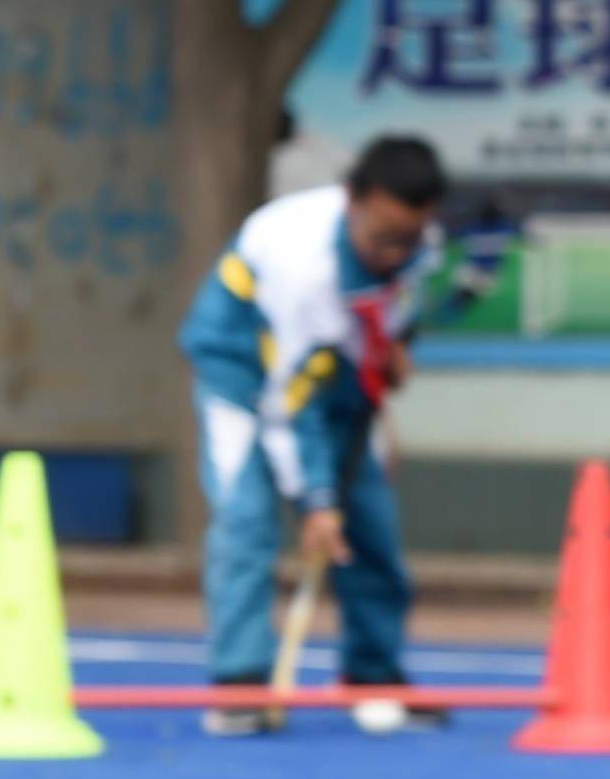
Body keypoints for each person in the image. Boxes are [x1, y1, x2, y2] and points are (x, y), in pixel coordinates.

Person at [177, 134, 450, 736]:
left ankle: (374, 676)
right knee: (246, 524)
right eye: (383, 238)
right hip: (248, 385)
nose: (394, 252)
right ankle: (241, 682)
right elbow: (291, 405)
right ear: (351, 200)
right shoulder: (300, 262)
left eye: (408, 238)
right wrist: (318, 502)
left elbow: (396, 319)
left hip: (339, 387)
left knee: (370, 531)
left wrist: (397, 355)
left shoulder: (418, 247)